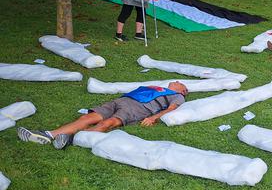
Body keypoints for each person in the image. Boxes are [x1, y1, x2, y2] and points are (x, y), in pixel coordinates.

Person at [17, 82, 188, 150]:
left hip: (138, 109)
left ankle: (69, 138)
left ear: (183, 90)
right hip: (121, 100)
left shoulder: (178, 96)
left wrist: (153, 118)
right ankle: (48, 135)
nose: (177, 82)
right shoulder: (157, 86)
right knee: (87, 118)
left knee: (109, 123)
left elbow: (171, 109)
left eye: (181, 83)